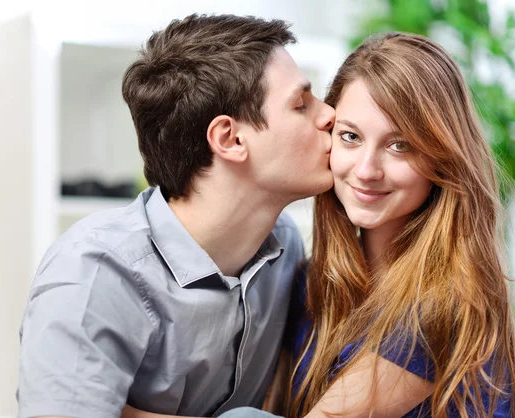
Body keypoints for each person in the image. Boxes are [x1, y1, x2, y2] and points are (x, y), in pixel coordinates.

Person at [17, 13, 335, 418]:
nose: (329, 116)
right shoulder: (94, 273)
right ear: (231, 139)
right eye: (302, 104)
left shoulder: (283, 245)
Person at [285, 32, 515, 418]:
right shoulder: (311, 284)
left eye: (399, 145)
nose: (366, 171)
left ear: (441, 158)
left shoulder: (443, 305)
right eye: (350, 137)